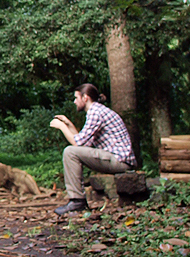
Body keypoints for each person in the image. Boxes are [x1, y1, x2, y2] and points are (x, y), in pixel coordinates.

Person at [49, 83, 137, 216]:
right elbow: (83, 143)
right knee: (72, 151)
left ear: (85, 98)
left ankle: (77, 201)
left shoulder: (96, 112)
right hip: (118, 159)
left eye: (76, 98)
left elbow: (76, 144)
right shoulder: (97, 111)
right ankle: (77, 201)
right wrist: (68, 124)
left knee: (69, 151)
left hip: (120, 161)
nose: (74, 101)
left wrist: (62, 127)